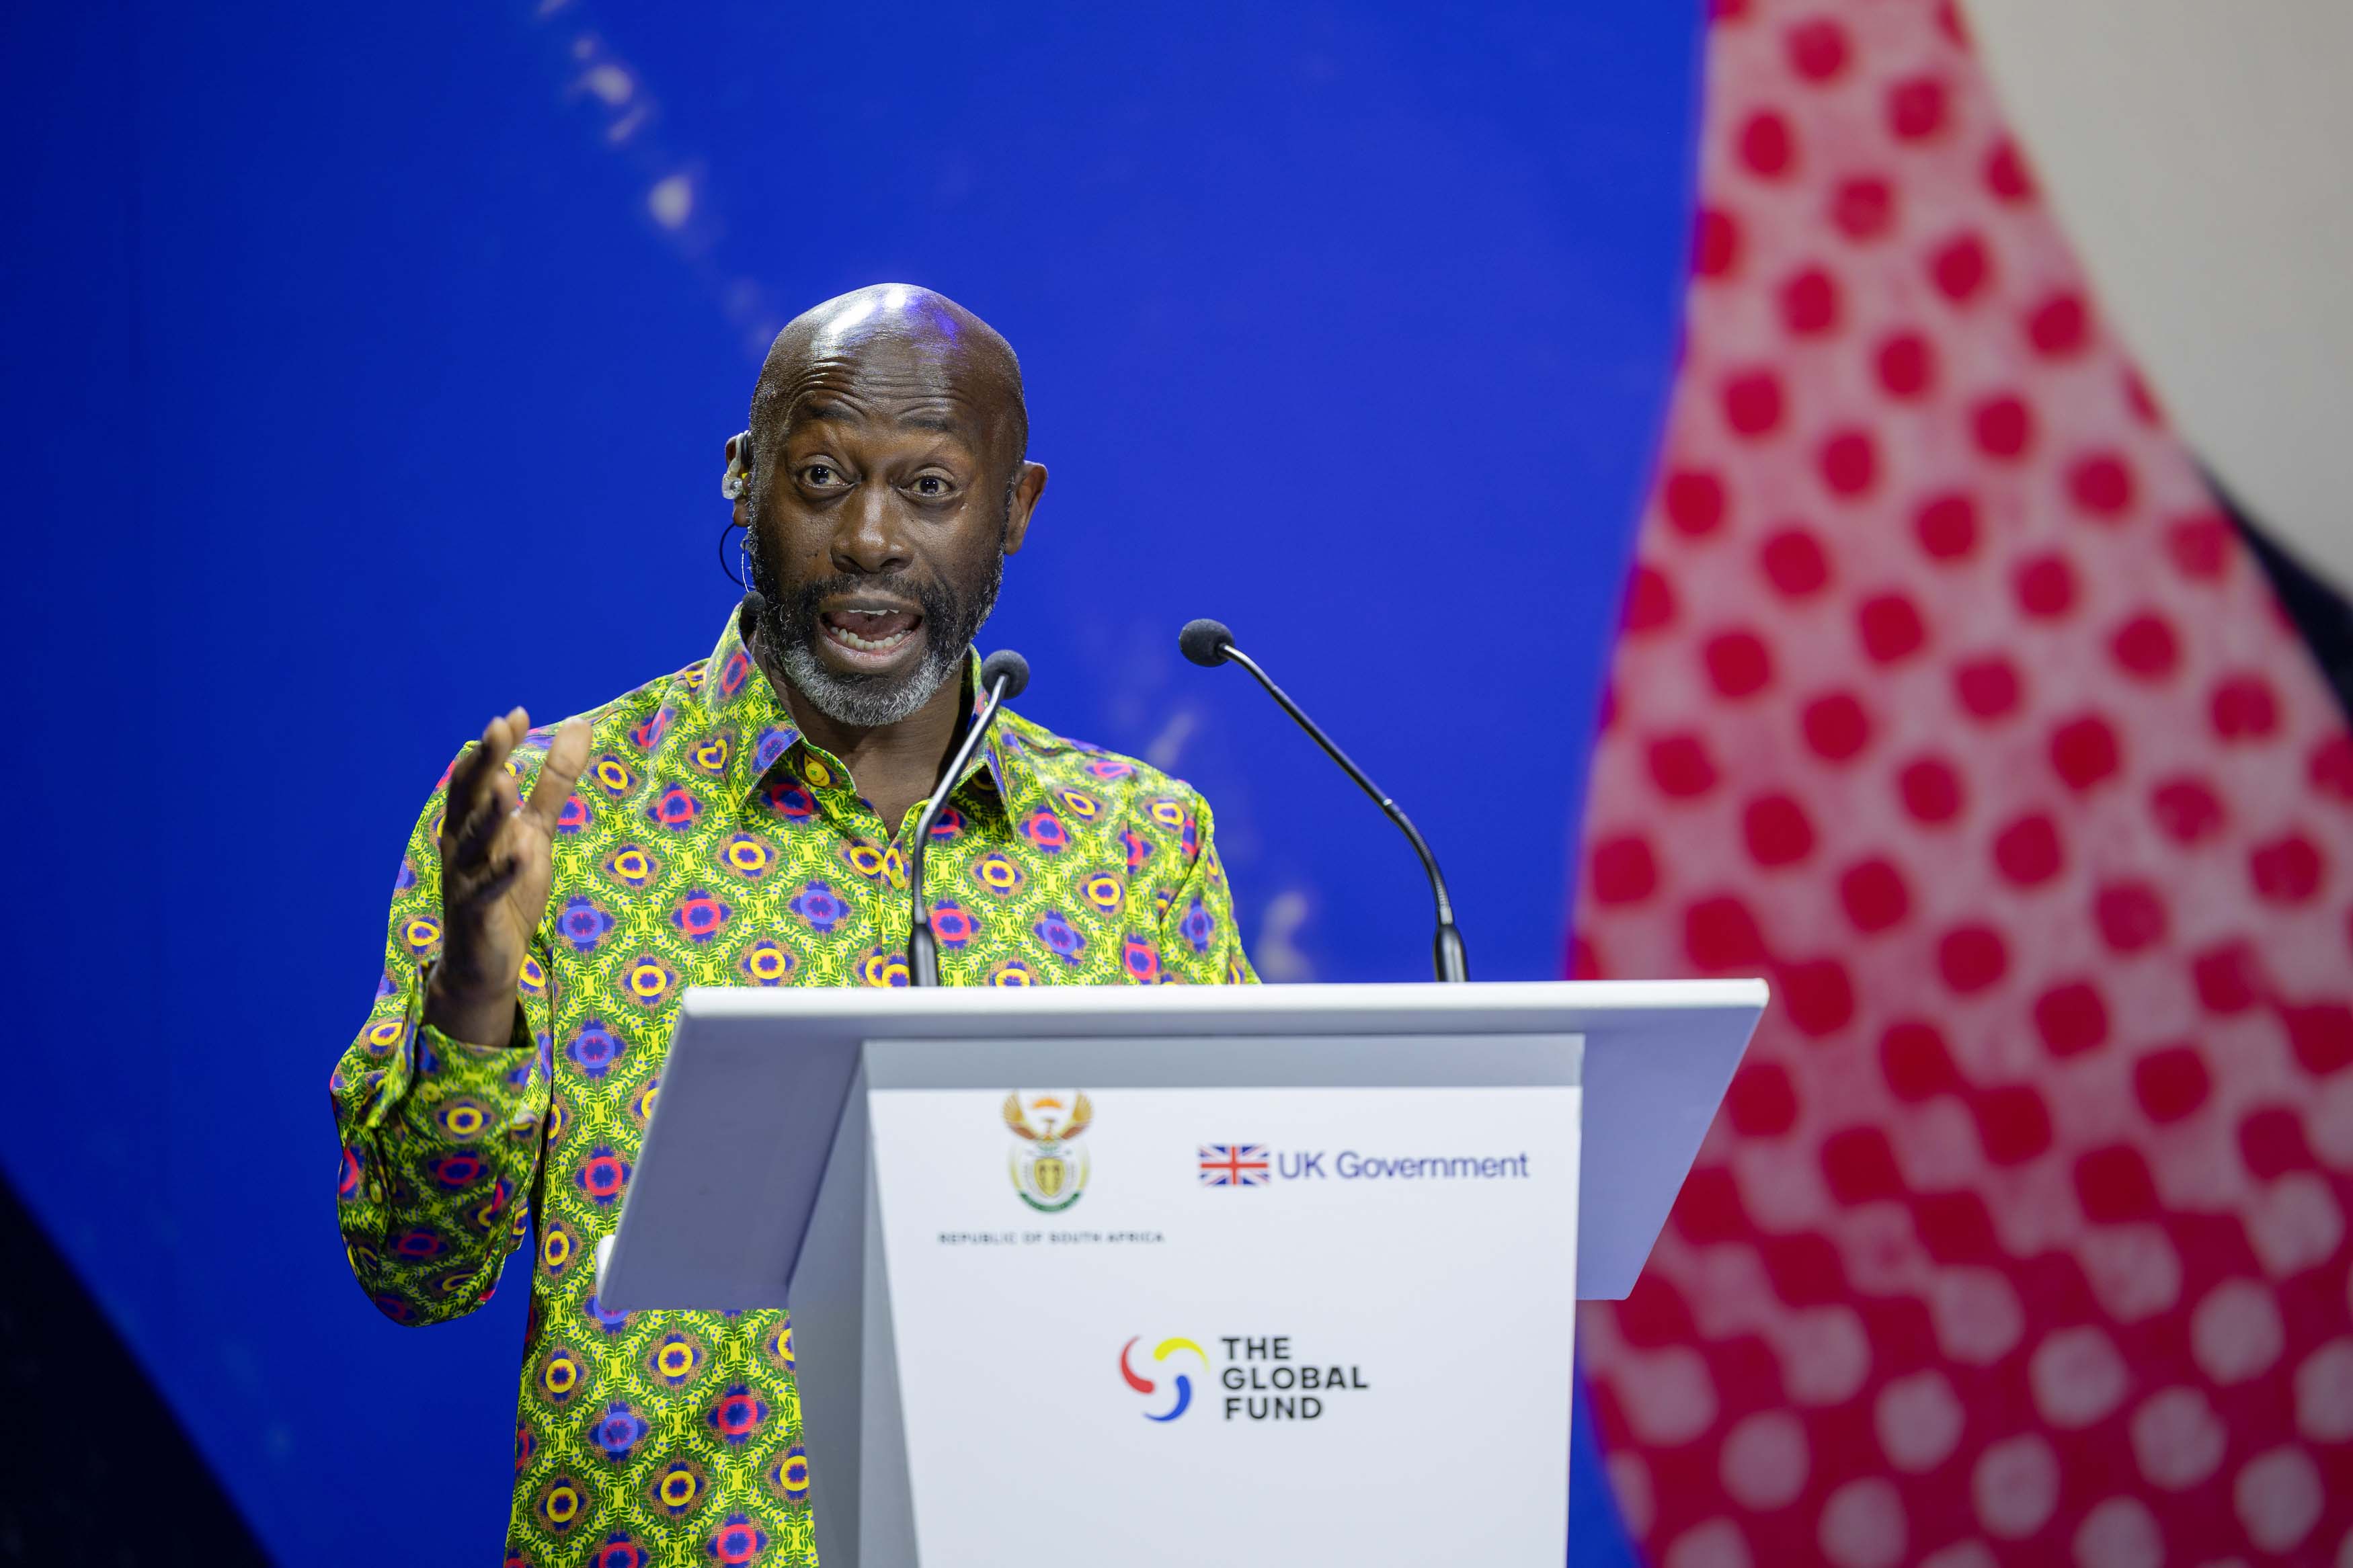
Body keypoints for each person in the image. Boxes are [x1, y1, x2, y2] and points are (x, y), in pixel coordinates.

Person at [329, 284, 1255, 1566]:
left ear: (1016, 511)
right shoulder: (559, 809)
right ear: (743, 481)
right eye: (821, 476)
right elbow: (415, 1268)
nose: (871, 536)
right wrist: (475, 993)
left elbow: (1238, 1244)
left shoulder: (1137, 843)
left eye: (930, 487)